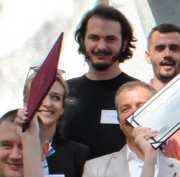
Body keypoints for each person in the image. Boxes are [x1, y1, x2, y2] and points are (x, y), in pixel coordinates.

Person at [0, 69, 90, 177]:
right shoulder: (8, 153)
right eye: (40, 95)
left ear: (63, 107)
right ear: (25, 103)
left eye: (56, 97)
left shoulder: (78, 155)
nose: (47, 103)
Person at [60, 5, 141, 160]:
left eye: (110, 39)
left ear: (124, 43)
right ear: (82, 40)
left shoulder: (138, 95)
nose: (101, 46)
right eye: (94, 38)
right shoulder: (64, 93)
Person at [145, 23, 180, 91]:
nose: (167, 54)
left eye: (174, 49)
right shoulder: (138, 100)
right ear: (148, 56)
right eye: (160, 49)